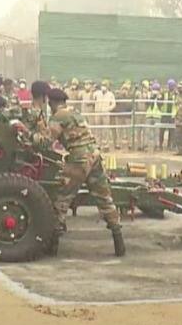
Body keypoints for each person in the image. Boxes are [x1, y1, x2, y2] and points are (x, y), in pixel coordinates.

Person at [39, 88, 125, 257]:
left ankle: (53, 246)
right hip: (94, 155)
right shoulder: (76, 113)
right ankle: (119, 241)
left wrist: (30, 135)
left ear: (53, 102)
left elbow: (45, 142)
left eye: (50, 103)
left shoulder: (58, 117)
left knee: (62, 198)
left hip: (79, 158)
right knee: (104, 199)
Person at [92, 79, 116, 150]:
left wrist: (108, 109)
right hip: (97, 113)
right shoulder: (96, 93)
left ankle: (106, 145)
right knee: (98, 129)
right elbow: (93, 100)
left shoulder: (110, 94)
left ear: (108, 86)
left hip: (106, 114)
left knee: (106, 130)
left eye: (105, 85)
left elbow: (113, 104)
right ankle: (98, 144)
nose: (103, 87)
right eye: (102, 85)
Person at [158, 79, 177, 150]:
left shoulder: (176, 94)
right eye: (170, 85)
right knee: (162, 130)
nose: (171, 87)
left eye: (173, 86)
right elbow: (159, 102)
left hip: (172, 115)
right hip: (164, 114)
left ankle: (170, 145)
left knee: (172, 131)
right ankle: (160, 145)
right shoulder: (164, 93)